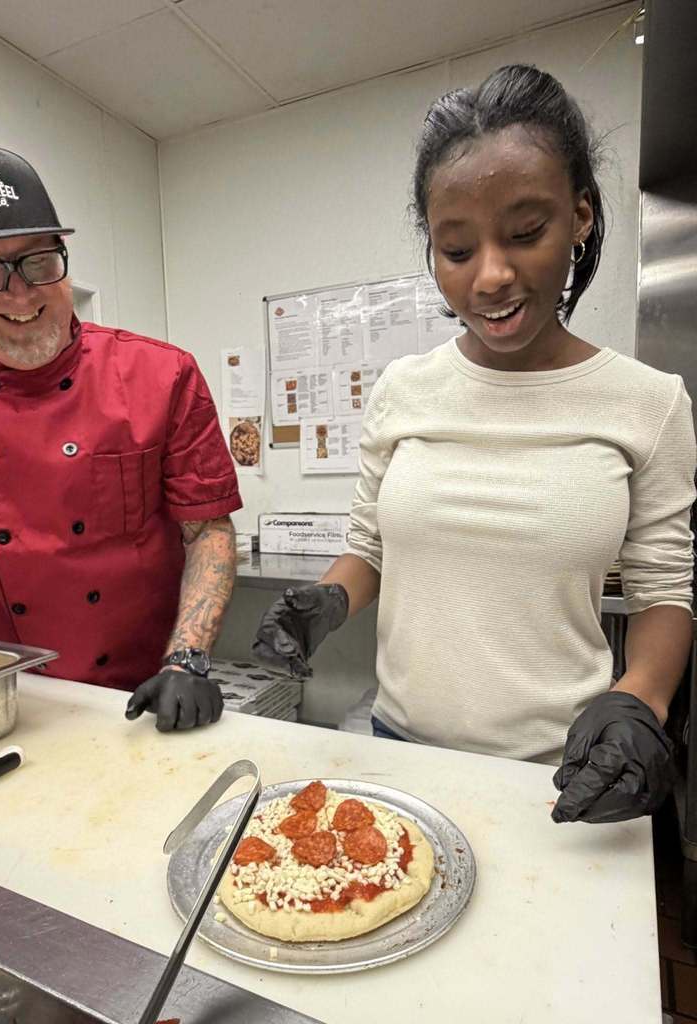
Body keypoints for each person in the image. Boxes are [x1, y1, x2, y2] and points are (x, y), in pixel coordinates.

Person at [254, 65, 696, 824]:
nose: (492, 275)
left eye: (526, 233)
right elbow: (370, 545)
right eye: (457, 250)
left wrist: (641, 700)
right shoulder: (403, 389)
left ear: (581, 214)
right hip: (400, 750)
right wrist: (330, 598)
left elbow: (664, 592)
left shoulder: (648, 403)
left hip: (561, 775)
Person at [0, 140, 241, 732]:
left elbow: (209, 530)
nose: (20, 294)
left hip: (143, 694)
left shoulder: (161, 373)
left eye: (38, 261)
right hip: (6, 703)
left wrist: (188, 659)